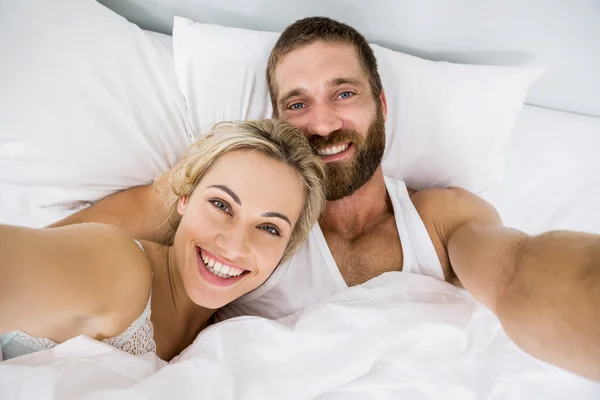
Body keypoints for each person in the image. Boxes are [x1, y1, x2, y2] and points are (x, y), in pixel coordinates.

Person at [48, 18, 599, 380]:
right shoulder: (236, 217)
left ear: (380, 103)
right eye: (297, 104)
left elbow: (516, 274)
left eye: (343, 93)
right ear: (277, 120)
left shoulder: (441, 218)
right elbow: (59, 255)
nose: (324, 122)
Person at [0, 120, 325, 362]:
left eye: (269, 228)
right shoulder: (117, 267)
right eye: (222, 205)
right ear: (184, 198)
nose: (235, 245)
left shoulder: (230, 342)